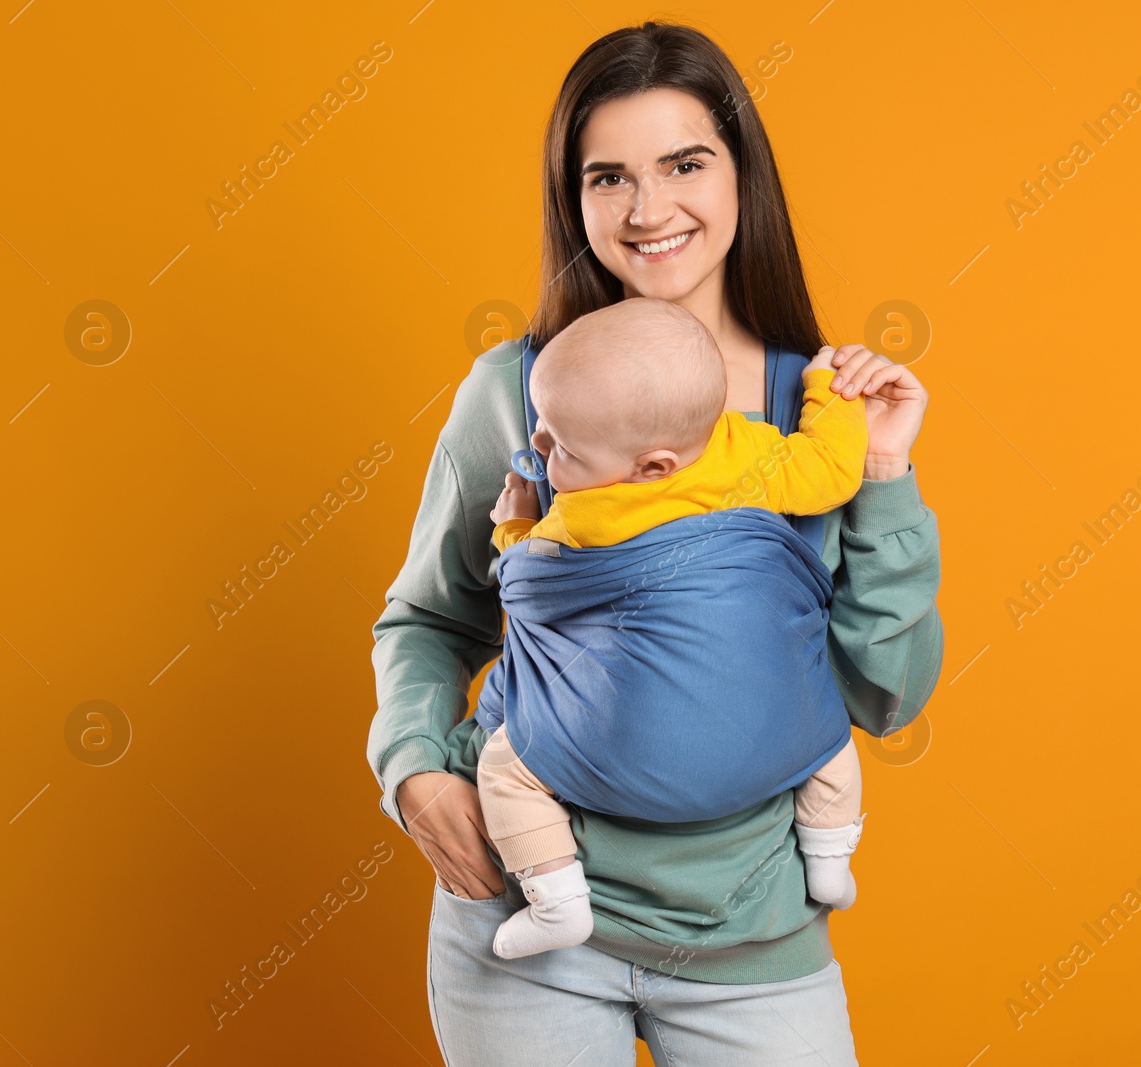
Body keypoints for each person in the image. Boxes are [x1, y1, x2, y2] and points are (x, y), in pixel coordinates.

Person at [366, 19, 942, 1066]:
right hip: (521, 927)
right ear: (571, 199)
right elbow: (429, 616)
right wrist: (413, 767)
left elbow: (884, 692)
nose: (648, 210)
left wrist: (888, 477)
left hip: (750, 941)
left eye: (685, 163)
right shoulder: (518, 393)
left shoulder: (820, 410)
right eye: (607, 177)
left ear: (741, 176)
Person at [477, 296, 870, 959]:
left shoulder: (581, 514)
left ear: (653, 465)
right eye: (543, 430)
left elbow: (528, 582)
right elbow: (834, 470)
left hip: (613, 753)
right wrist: (829, 386)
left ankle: (557, 899)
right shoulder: (748, 454)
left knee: (505, 768)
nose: (538, 449)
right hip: (770, 744)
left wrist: (512, 520)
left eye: (560, 445)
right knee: (824, 732)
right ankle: (829, 855)